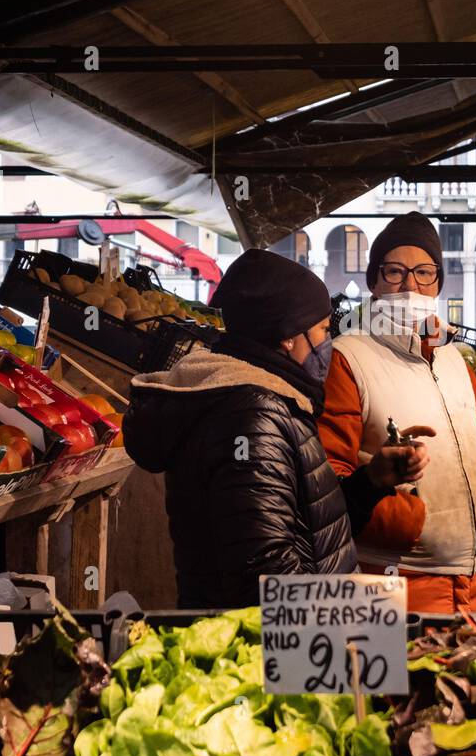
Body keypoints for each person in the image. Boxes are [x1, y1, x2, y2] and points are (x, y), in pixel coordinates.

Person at [123, 249, 428, 608]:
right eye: (322, 330)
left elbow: (305, 525)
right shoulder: (253, 416)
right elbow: (265, 570)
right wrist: (346, 625)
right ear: (288, 338)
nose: (328, 342)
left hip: (291, 645)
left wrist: (370, 481)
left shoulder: (266, 402)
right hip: (269, 653)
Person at [318, 212, 476, 614]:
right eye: (395, 271)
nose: (410, 284)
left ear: (438, 284)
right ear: (374, 281)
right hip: (395, 580)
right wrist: (411, 522)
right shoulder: (348, 358)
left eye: (424, 272)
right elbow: (329, 475)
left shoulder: (454, 361)